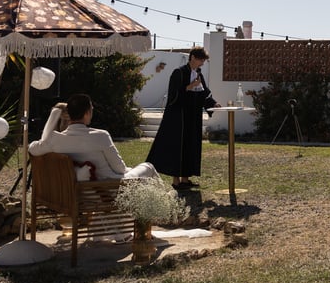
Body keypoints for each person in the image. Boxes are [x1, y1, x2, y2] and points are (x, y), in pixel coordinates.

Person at [30, 93, 159, 180]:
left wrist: (55, 113)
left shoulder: (54, 140)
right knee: (148, 167)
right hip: (109, 190)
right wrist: (130, 170)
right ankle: (167, 203)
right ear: (87, 113)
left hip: (83, 192)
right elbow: (120, 169)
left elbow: (32, 148)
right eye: (91, 109)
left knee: (136, 170)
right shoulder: (101, 136)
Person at [146, 47, 217, 189]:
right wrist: (191, 86)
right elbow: (174, 95)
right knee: (177, 147)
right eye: (201, 60)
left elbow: (204, 93)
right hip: (179, 117)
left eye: (204, 60)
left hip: (192, 116)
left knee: (190, 145)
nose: (202, 63)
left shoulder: (198, 74)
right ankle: (176, 181)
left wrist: (214, 104)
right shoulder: (178, 72)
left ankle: (185, 179)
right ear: (193, 58)